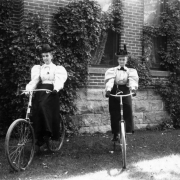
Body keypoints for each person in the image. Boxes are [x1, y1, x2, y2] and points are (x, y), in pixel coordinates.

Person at [26, 44, 68, 146]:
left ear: (51, 56)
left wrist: (56, 88)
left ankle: (47, 133)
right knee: (35, 109)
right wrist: (29, 89)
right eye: (43, 56)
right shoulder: (39, 68)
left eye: (47, 55)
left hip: (51, 92)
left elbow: (59, 80)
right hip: (41, 90)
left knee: (43, 106)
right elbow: (35, 81)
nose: (45, 58)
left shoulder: (57, 68)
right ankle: (39, 137)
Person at [104, 45, 139, 141]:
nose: (122, 61)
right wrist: (108, 90)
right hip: (114, 90)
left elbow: (132, 80)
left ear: (126, 60)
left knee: (127, 108)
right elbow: (110, 80)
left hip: (125, 90)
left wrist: (133, 89)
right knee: (114, 111)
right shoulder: (113, 70)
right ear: (118, 60)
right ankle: (115, 133)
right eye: (120, 60)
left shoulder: (130, 71)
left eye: (123, 59)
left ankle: (126, 131)